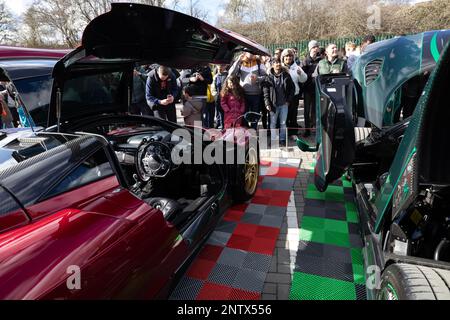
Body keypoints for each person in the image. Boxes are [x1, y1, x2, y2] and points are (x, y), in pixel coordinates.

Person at [229, 52, 266, 129]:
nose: (251, 53)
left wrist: (257, 79)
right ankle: (246, 132)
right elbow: (231, 74)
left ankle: (253, 132)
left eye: (253, 51)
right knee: (244, 115)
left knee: (255, 115)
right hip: (243, 94)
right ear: (245, 53)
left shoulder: (259, 62)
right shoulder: (240, 62)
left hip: (256, 94)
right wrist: (238, 60)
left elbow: (265, 77)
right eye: (249, 52)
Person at [262, 59, 295, 146]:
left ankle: (282, 139)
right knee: (273, 123)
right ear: (272, 65)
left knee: (283, 123)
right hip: (273, 105)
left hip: (284, 104)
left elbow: (292, 89)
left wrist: (289, 100)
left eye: (279, 62)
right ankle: (273, 140)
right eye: (275, 63)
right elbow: (266, 92)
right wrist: (267, 104)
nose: (277, 64)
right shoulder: (268, 77)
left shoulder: (286, 75)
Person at [281, 48, 307, 139]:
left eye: (290, 56)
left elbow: (304, 79)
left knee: (293, 114)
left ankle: (293, 133)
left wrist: (301, 74)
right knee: (283, 115)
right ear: (283, 58)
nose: (289, 58)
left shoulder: (297, 67)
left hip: (294, 95)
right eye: (286, 56)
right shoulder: (279, 67)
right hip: (282, 96)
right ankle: (283, 133)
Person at [301, 40, 322, 137]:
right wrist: (311, 75)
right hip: (307, 89)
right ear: (310, 49)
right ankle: (307, 129)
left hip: (317, 88)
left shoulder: (321, 60)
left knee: (316, 110)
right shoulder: (305, 60)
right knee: (306, 110)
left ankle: (315, 128)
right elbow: (302, 74)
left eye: (317, 47)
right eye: (313, 47)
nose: (315, 49)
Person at [211, 64, 229, 129]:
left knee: (224, 112)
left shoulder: (228, 75)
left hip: (226, 97)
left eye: (222, 65)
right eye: (218, 65)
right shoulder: (216, 76)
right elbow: (213, 87)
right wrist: (215, 95)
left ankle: (224, 126)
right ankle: (219, 124)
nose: (220, 67)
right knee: (218, 111)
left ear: (226, 66)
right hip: (218, 97)